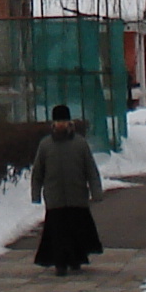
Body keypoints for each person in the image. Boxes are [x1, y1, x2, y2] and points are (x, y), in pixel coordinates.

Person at [29, 105, 105, 275]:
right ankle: (60, 263)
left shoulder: (80, 144)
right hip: (55, 199)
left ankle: (77, 259)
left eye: (64, 121)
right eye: (58, 121)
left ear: (69, 122)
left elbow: (90, 170)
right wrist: (36, 195)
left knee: (77, 231)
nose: (61, 125)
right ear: (53, 124)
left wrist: (96, 191)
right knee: (57, 234)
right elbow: (37, 173)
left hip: (77, 197)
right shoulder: (46, 145)